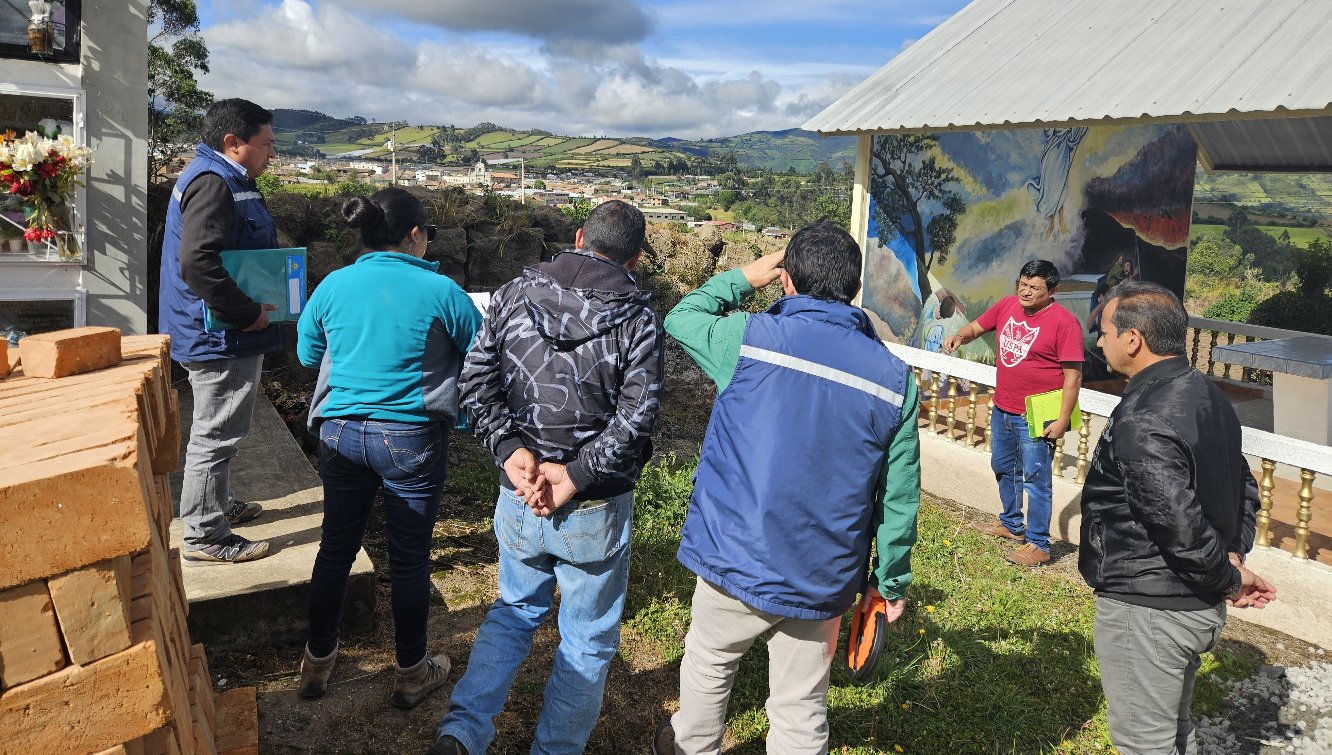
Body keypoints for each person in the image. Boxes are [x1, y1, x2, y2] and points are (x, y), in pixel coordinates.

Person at [652, 222, 920, 755]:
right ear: (855, 288)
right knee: (801, 705)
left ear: (787, 279)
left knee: (708, 663)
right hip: (823, 575)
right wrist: (887, 582)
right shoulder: (894, 380)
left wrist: (745, 276)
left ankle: (691, 746)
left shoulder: (748, 339)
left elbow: (682, 317)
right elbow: (898, 497)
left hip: (732, 554)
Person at [429, 200, 662, 755]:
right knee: (586, 641)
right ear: (635, 257)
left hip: (520, 488)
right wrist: (576, 475)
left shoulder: (514, 293)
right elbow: (637, 418)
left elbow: (475, 379)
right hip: (594, 502)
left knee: (512, 612)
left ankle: (462, 733)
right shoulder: (637, 318)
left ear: (579, 237)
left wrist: (509, 450)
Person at [294, 189, 482, 708]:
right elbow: (482, 353)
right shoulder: (442, 290)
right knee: (409, 559)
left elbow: (308, 354)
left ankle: (317, 663)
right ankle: (411, 672)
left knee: (336, 548)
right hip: (410, 437)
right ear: (416, 234)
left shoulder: (334, 284)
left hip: (339, 433)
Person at [1081, 281, 1275, 754]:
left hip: (1150, 609)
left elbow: (1177, 524)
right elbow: (1243, 485)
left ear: (1132, 339)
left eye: (1104, 331)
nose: (1099, 342)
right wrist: (1232, 553)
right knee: (1174, 730)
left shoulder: (1145, 417)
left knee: (1145, 744)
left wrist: (1229, 577)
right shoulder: (1206, 393)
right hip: (1188, 603)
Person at [159, 98, 281, 564]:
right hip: (219, 335)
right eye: (266, 144)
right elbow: (198, 263)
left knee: (222, 425)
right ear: (233, 143)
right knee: (217, 433)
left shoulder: (223, 177)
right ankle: (204, 534)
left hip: (214, 330)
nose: (272, 153)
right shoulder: (214, 183)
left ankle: (219, 502)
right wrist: (246, 313)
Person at [944, 259, 1082, 566]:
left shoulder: (1065, 323)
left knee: (1036, 478)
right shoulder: (1006, 305)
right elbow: (976, 327)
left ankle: (1039, 544)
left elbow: (1073, 377)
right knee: (1003, 467)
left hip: (1036, 415)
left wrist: (1062, 419)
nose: (1026, 291)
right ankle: (1011, 524)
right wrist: (960, 336)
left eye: (1034, 287)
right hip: (1003, 408)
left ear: (1052, 291)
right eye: (1023, 284)